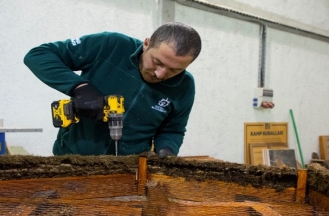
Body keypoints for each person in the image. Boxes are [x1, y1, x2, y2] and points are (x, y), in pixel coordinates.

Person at [24, 22, 201, 157]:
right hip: (72, 159)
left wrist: (166, 151)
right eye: (157, 62)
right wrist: (80, 87)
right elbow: (39, 55)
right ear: (147, 43)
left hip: (129, 170)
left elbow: (173, 130)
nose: (160, 74)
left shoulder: (184, 86)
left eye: (175, 70)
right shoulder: (111, 45)